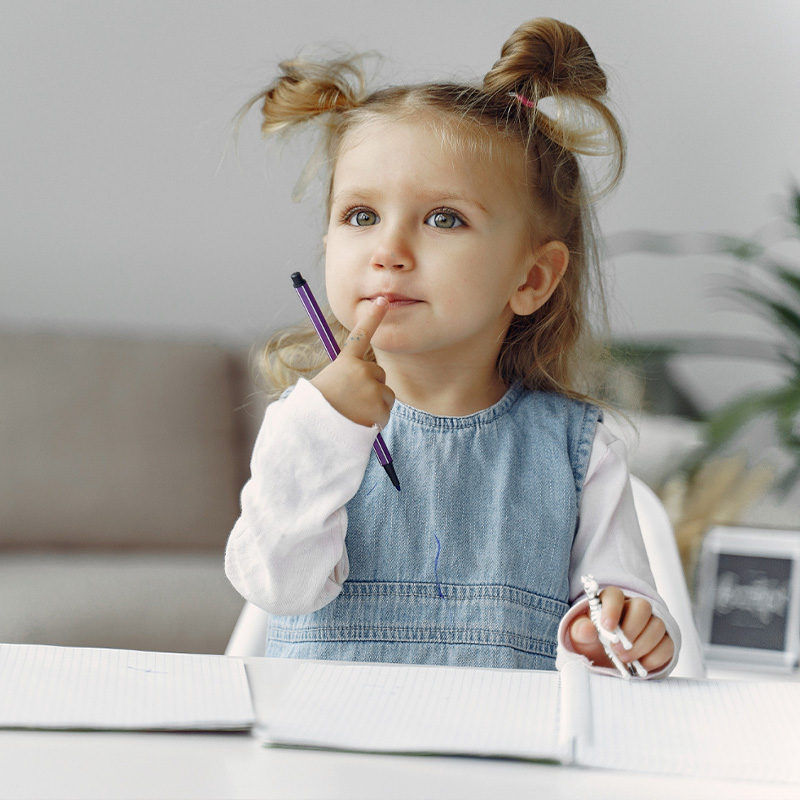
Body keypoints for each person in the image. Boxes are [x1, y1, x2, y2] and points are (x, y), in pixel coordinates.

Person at [226, 17, 680, 677]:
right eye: (361, 216)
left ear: (531, 278)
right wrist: (326, 429)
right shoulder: (306, 427)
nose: (388, 251)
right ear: (327, 246)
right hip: (326, 762)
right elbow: (276, 586)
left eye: (444, 219)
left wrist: (629, 628)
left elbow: (623, 620)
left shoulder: (580, 454)